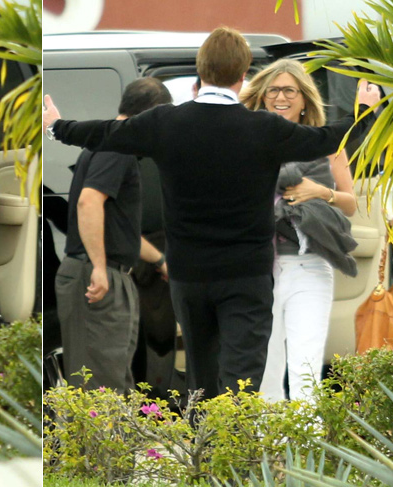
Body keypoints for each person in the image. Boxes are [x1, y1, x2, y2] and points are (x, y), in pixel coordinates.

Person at [43, 27, 380, 400]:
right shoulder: (266, 129)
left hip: (189, 275)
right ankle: (237, 454)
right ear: (243, 75)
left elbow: (105, 133)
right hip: (246, 275)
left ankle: (202, 453)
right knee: (241, 380)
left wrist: (57, 127)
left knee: (201, 379)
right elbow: (331, 137)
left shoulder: (164, 123)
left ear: (201, 72)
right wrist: (365, 111)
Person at [240, 59, 358, 401]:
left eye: (289, 90)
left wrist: (321, 192)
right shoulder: (247, 141)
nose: (281, 97)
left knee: (305, 367)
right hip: (259, 268)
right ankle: (269, 451)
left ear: (304, 98)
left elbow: (350, 203)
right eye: (273, 90)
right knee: (266, 368)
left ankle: (306, 450)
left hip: (308, 265)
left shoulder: (326, 142)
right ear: (262, 97)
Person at [56, 78, 170, 393]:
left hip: (108, 273)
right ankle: (97, 446)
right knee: (100, 389)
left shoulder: (110, 144)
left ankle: (115, 444)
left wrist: (160, 260)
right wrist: (98, 267)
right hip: (98, 277)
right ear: (151, 116)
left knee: (113, 379)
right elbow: (89, 201)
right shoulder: (118, 146)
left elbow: (117, 226)